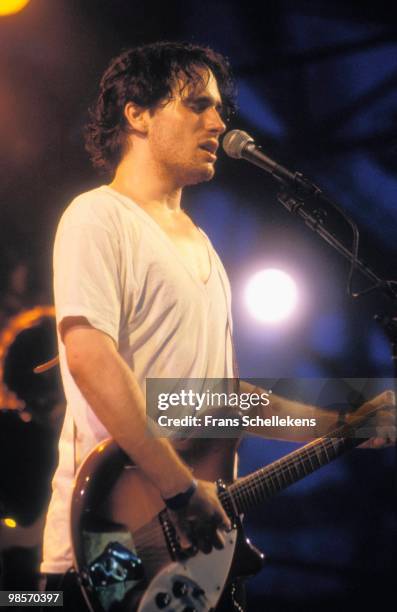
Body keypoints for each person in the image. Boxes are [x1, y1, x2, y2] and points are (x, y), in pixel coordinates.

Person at [40, 41, 393, 609]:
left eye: (220, 109)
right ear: (138, 113)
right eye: (197, 105)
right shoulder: (97, 216)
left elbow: (219, 402)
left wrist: (344, 420)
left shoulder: (203, 248)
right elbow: (89, 358)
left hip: (197, 561)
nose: (219, 122)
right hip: (102, 540)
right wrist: (181, 491)